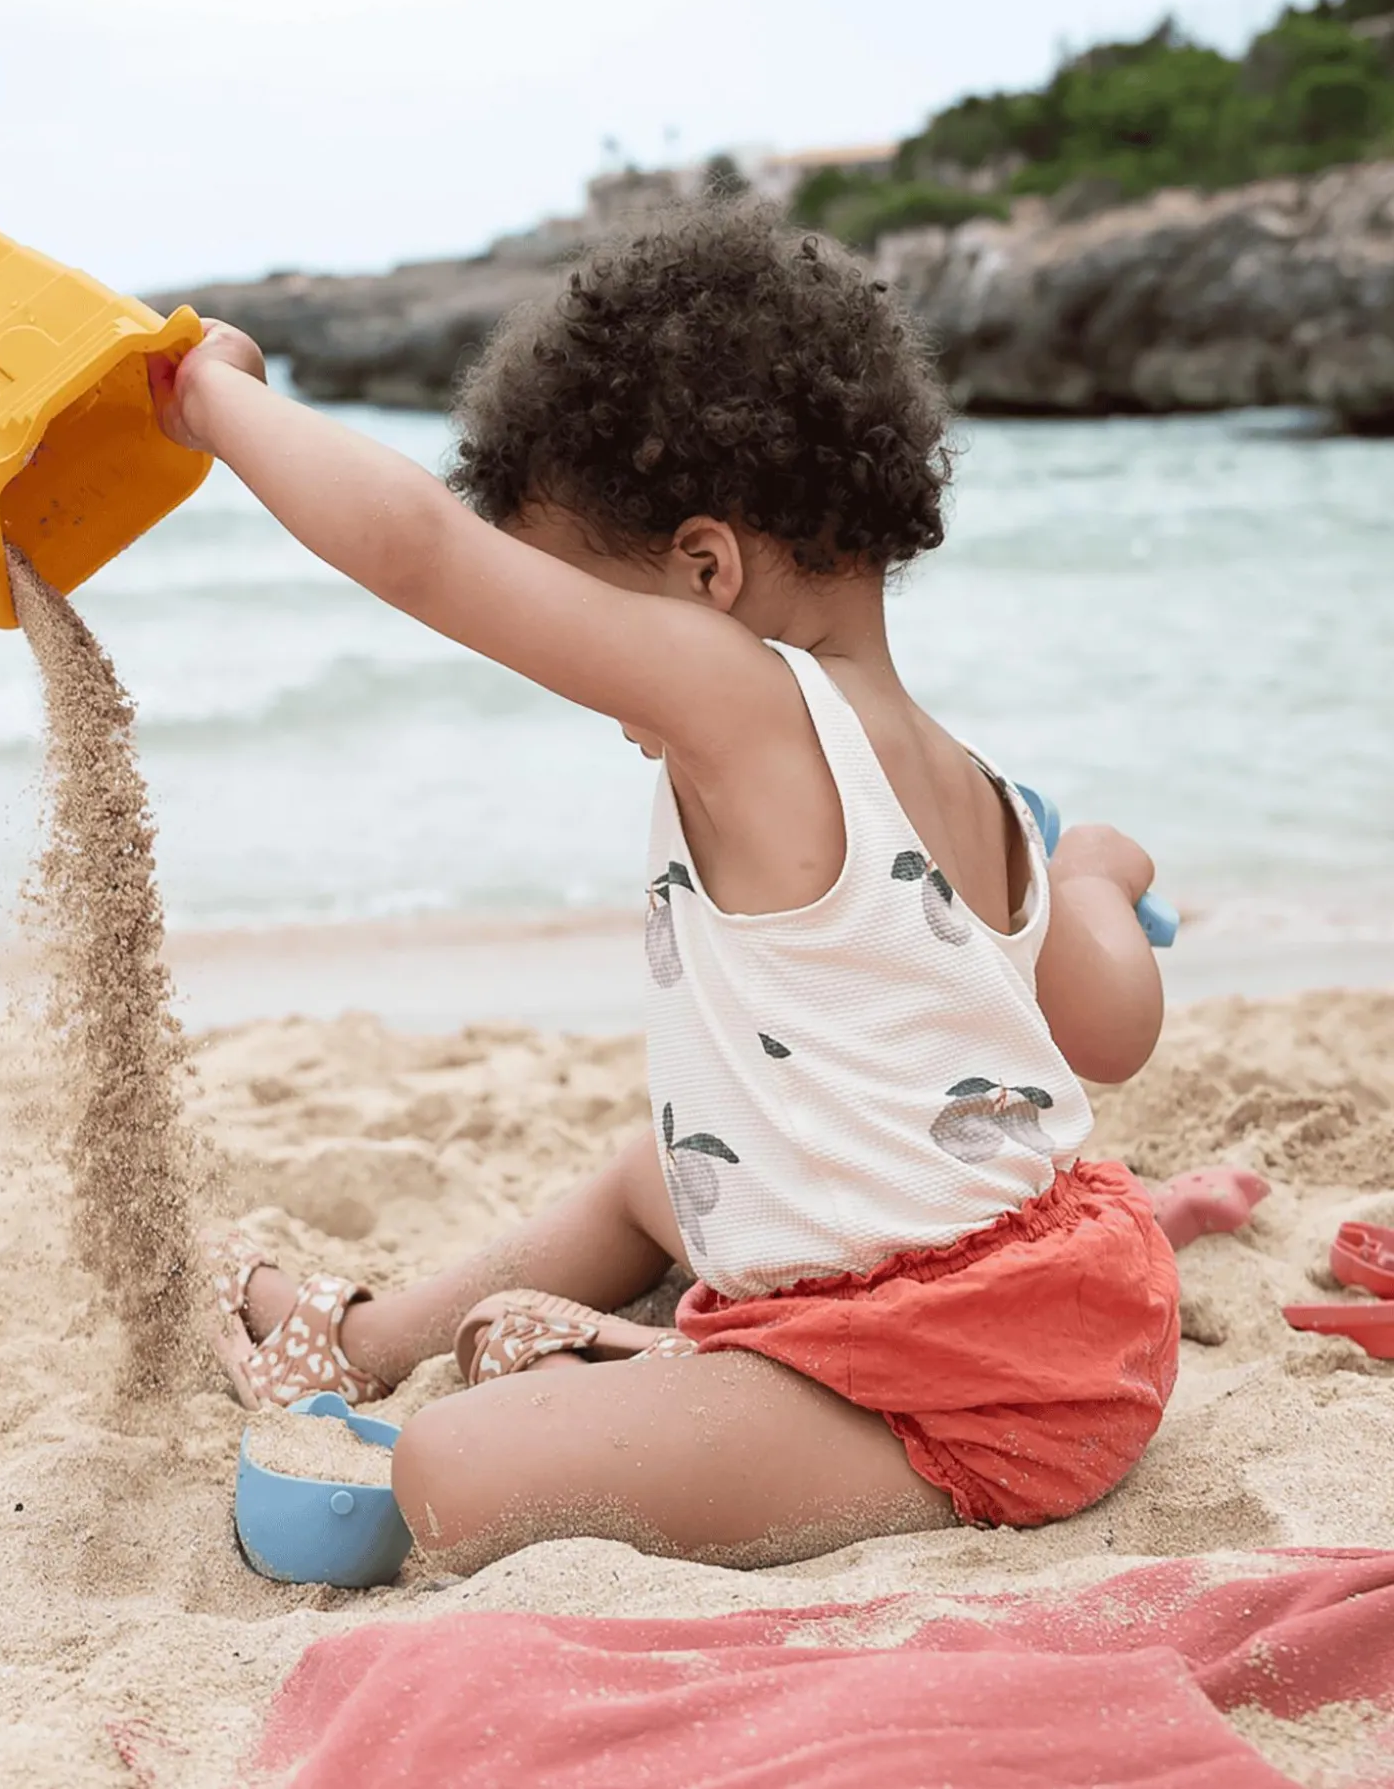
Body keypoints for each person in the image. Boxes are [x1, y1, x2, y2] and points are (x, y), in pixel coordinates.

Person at [148, 203, 1268, 1573]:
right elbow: (1112, 1033)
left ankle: (619, 1373)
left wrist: (217, 396)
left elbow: (421, 554)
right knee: (651, 1173)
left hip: (960, 1399)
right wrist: (1094, 872)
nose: (594, 674)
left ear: (704, 570)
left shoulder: (746, 706)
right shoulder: (978, 790)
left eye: (590, 612)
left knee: (451, 1474)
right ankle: (373, 1340)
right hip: (1079, 1318)